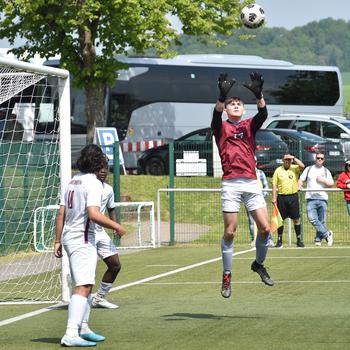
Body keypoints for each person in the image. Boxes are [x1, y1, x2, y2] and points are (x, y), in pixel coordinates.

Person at [54, 144, 126, 347]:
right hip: (82, 237)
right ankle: (70, 333)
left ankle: (83, 327)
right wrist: (117, 226)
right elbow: (94, 214)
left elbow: (61, 213)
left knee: (86, 284)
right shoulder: (93, 183)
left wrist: (57, 240)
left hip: (71, 235)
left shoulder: (72, 181)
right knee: (84, 286)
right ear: (98, 161)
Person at [211, 71, 274, 299]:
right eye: (232, 103)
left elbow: (263, 113)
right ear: (227, 109)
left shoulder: (249, 125)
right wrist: (221, 95)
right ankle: (227, 275)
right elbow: (215, 117)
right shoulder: (221, 128)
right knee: (230, 231)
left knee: (266, 229)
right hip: (231, 184)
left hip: (251, 181)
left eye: (238, 103)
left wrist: (259, 94)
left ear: (244, 109)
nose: (235, 104)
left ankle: (258, 264)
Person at [91, 162, 122, 309]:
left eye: (105, 168)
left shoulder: (108, 189)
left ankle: (99, 298)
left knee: (115, 265)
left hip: (100, 232)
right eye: (99, 167)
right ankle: (79, 297)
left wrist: (114, 226)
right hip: (84, 233)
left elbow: (111, 209)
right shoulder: (87, 186)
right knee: (86, 270)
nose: (103, 171)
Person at [298, 153, 334, 246]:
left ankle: (318, 239)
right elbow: (301, 179)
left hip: (323, 198)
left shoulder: (326, 171)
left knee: (322, 220)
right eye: (318, 158)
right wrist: (300, 185)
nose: (319, 159)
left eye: (321, 158)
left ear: (324, 160)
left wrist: (323, 180)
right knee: (312, 218)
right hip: (311, 198)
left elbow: (331, 184)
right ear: (315, 159)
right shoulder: (309, 169)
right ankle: (327, 234)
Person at [272, 153, 305, 248]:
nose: (287, 161)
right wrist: (274, 198)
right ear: (283, 160)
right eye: (286, 159)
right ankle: (279, 241)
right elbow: (274, 185)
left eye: (289, 160)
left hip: (293, 197)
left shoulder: (294, 168)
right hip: (281, 197)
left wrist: (294, 158)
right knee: (280, 220)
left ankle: (299, 240)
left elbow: (303, 166)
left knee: (296, 219)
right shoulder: (278, 170)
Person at [245, 162, 274, 247]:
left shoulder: (260, 173)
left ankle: (269, 240)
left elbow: (266, 187)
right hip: (249, 201)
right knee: (251, 222)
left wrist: (261, 197)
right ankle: (254, 240)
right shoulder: (245, 173)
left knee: (264, 222)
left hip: (260, 201)